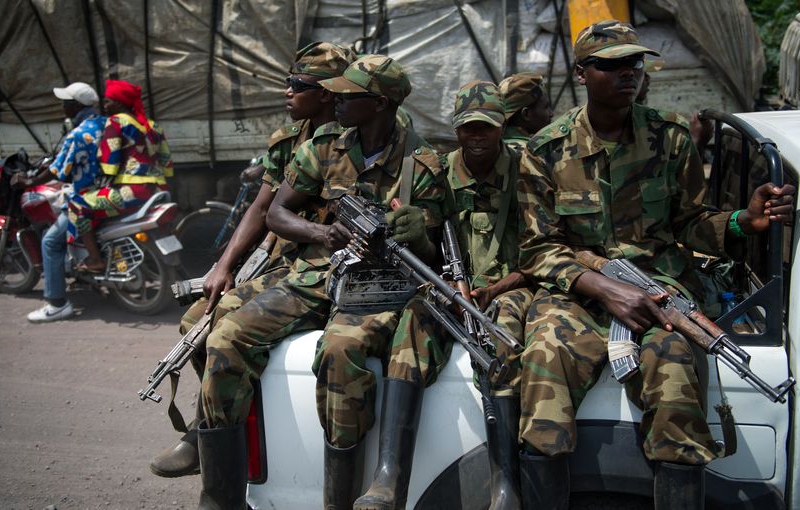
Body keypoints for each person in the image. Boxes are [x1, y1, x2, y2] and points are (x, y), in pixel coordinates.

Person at [515, 20, 796, 509]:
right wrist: (604, 288)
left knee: (676, 368)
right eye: (612, 64)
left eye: (635, 63)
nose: (629, 73)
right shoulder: (545, 150)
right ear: (582, 74)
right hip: (575, 292)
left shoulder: (671, 138)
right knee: (544, 365)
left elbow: (689, 222)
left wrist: (742, 222)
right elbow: (539, 247)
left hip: (657, 289)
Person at [192, 54, 445, 510]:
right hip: (317, 272)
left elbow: (436, 253)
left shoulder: (422, 163)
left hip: (376, 283)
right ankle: (220, 497)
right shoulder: (326, 145)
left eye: (350, 94)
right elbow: (276, 212)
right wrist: (322, 232)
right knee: (226, 336)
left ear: (381, 103)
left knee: (340, 351)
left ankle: (340, 497)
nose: (337, 98)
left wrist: (416, 237)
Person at [148, 41, 356, 479]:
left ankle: (216, 432)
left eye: (298, 84)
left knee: (226, 331)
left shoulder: (349, 141)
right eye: (287, 82)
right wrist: (222, 267)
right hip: (279, 259)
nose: (287, 91)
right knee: (195, 321)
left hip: (318, 265)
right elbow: (261, 208)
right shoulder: (289, 141)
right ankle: (212, 425)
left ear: (326, 92)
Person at [356, 80, 536, 510]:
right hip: (449, 289)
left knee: (501, 342)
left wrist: (493, 287)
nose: (476, 138)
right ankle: (389, 476)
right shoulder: (435, 170)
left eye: (486, 129)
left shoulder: (528, 170)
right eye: (467, 129)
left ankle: (505, 485)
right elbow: (430, 245)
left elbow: (545, 249)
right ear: (456, 129)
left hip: (512, 287)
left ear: (503, 126)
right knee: (411, 329)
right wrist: (418, 235)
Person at [12, 82, 105, 322]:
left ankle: (56, 303)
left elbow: (57, 170)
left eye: (66, 102)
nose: (63, 107)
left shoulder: (76, 135)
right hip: (109, 192)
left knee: (51, 242)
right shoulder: (105, 124)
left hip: (85, 197)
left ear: (75, 106)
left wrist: (28, 181)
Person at [67, 79, 173, 272]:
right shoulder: (152, 126)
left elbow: (109, 163)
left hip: (132, 192)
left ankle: (95, 259)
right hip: (158, 190)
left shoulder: (116, 122)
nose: (104, 106)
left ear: (120, 103)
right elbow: (166, 164)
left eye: (108, 101)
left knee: (78, 204)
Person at [497, 72, 554, 150]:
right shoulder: (534, 153)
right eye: (546, 107)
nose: (551, 114)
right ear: (526, 114)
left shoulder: (491, 148)